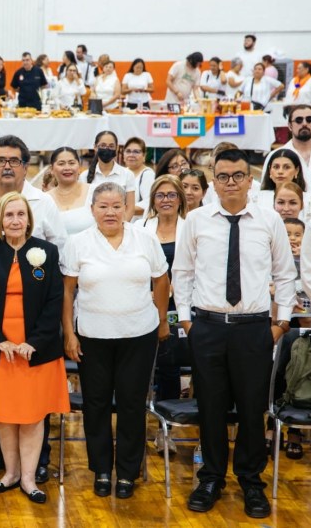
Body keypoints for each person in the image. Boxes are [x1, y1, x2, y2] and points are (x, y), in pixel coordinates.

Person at [173, 148, 295, 519]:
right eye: (222, 176)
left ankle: (251, 482)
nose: (230, 182)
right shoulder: (196, 220)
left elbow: (285, 274)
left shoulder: (269, 220)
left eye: (237, 176)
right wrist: (187, 322)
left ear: (250, 179)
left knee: (251, 408)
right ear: (213, 178)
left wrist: (282, 324)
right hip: (207, 327)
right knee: (209, 407)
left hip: (254, 329)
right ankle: (210, 478)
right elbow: (182, 273)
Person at [63, 182, 170, 499]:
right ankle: (101, 472)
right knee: (95, 406)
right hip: (92, 336)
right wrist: (69, 333)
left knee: (131, 405)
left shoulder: (145, 239)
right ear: (92, 209)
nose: (110, 212)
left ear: (126, 209)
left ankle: (127, 473)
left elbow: (161, 280)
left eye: (116, 206)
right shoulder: (78, 243)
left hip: (139, 334)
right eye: (103, 206)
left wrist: (161, 318)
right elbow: (68, 291)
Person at [0, 191, 69, 504]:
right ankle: (10, 474)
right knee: (6, 415)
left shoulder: (47, 252)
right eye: (9, 215)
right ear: (0, 220)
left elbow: (55, 301)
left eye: (20, 214)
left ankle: (29, 478)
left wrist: (33, 342)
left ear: (29, 219)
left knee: (32, 416)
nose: (15, 220)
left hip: (34, 351)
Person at [138, 175, 187, 454]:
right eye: (160, 195)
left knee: (170, 367)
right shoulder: (141, 227)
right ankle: (136, 427)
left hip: (176, 307)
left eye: (171, 195)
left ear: (180, 199)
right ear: (153, 200)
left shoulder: (190, 227)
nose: (166, 200)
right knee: (141, 368)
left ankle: (164, 432)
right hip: (143, 304)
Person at [0, 135, 66, 247]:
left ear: (25, 168)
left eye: (14, 161)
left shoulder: (44, 202)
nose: (7, 167)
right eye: (1, 161)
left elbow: (60, 247)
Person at [80, 131, 136, 220]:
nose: (107, 149)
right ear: (95, 147)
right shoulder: (84, 176)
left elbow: (130, 208)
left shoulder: (127, 174)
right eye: (103, 145)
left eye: (111, 146)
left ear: (117, 148)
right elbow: (83, 207)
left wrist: (120, 226)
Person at [47, 147, 95, 236]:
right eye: (61, 164)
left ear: (79, 167)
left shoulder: (94, 192)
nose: (67, 168)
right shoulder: (44, 199)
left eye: (71, 163)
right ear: (52, 169)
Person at [258, 149, 311, 219]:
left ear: (296, 171)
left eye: (287, 167)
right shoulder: (257, 199)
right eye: (276, 167)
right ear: (270, 170)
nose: (280, 171)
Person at [122, 137, 155, 215]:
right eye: (128, 151)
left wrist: (121, 209)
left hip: (137, 224)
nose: (131, 155)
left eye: (136, 152)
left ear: (144, 156)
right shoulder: (122, 173)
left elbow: (148, 203)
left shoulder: (148, 174)